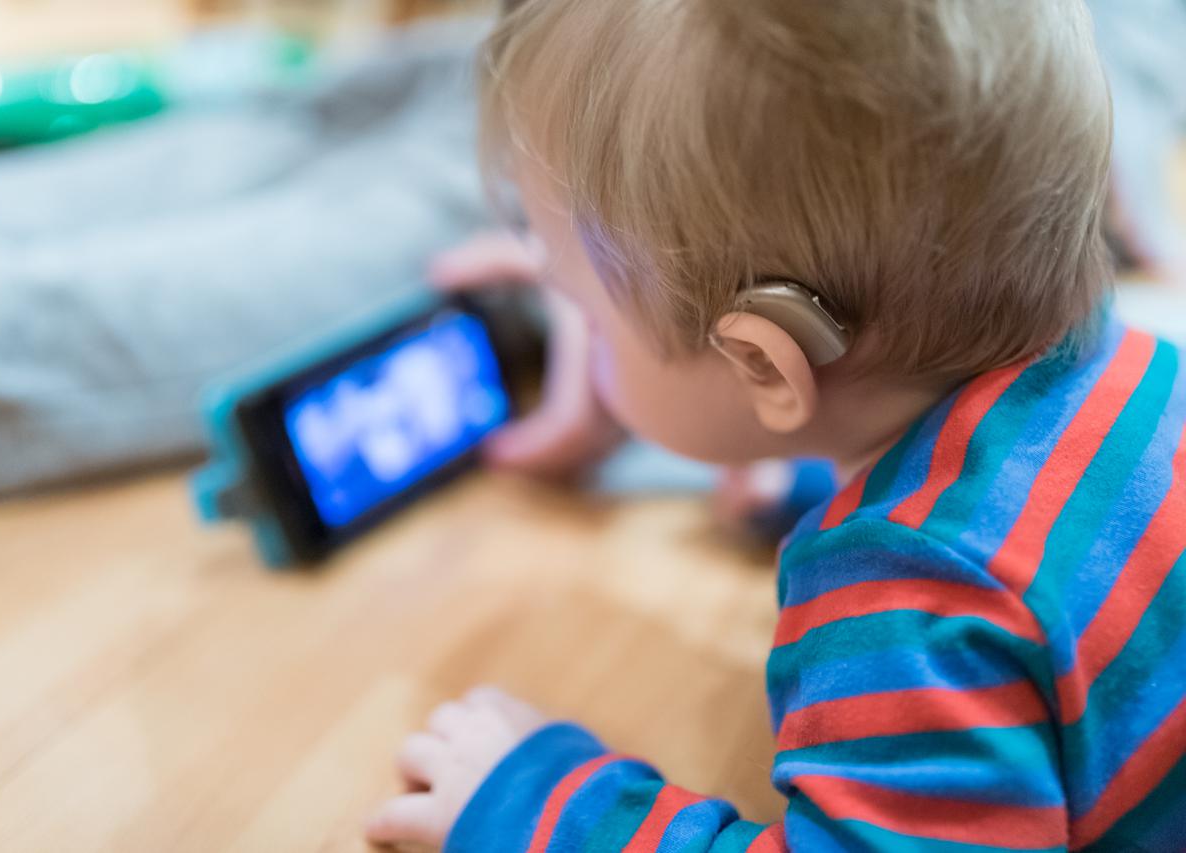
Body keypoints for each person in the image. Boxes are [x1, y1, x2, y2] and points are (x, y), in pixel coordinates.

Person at [367, 0, 1186, 849]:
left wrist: (548, 812)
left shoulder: (915, 618)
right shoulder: (1142, 374)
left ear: (763, 366)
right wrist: (818, 480)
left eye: (590, 317)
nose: (581, 335)